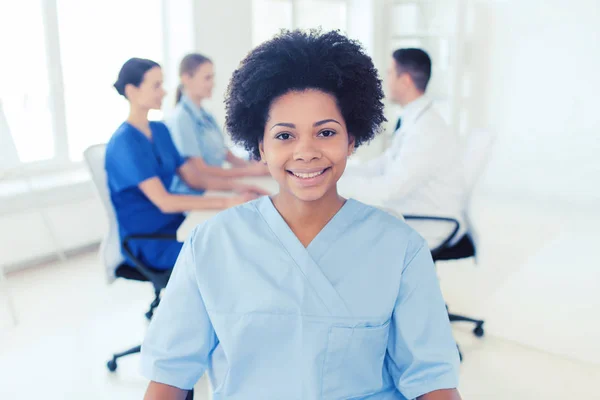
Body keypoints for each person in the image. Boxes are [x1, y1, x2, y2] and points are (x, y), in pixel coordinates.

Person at [140, 31, 461, 399]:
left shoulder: (400, 249)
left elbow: (433, 380)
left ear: (351, 139)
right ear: (259, 145)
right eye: (284, 136)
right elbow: (169, 375)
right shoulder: (211, 244)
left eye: (325, 132)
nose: (306, 152)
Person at [106, 58, 267, 271]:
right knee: (231, 253)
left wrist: (238, 188)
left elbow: (193, 177)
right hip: (152, 241)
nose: (164, 92)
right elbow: (165, 202)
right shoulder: (124, 143)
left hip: (177, 224)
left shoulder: (160, 131)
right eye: (156, 86)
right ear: (132, 91)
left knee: (238, 236)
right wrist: (229, 201)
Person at [339, 48, 466, 242]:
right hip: (413, 210)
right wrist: (336, 171)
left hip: (429, 224)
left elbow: (389, 190)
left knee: (343, 230)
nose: (385, 80)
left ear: (405, 81)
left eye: (390, 73)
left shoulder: (426, 130)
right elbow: (382, 166)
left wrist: (334, 184)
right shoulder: (415, 119)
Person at [166, 53, 269, 195]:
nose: (212, 83)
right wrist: (250, 170)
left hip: (214, 188)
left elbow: (225, 153)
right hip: (196, 196)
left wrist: (255, 168)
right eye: (207, 78)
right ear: (186, 79)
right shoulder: (181, 118)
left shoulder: (206, 115)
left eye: (212, 77)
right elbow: (199, 169)